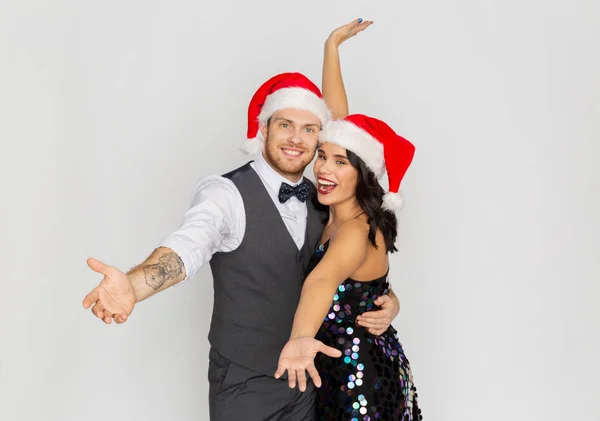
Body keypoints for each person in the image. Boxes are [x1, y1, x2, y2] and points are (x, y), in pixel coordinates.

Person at [82, 22, 400, 421]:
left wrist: (382, 300)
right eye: (284, 125)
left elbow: (345, 137)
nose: (297, 139)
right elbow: (188, 245)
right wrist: (133, 284)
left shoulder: (327, 194)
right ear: (263, 129)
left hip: (318, 380)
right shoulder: (225, 194)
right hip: (248, 386)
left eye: (309, 130)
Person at [274, 20, 423, 421]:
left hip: (361, 382)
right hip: (338, 371)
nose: (323, 167)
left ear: (364, 176)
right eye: (322, 155)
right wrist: (332, 48)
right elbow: (340, 121)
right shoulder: (334, 209)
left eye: (340, 162)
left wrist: (299, 340)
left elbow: (321, 281)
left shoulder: (357, 229)